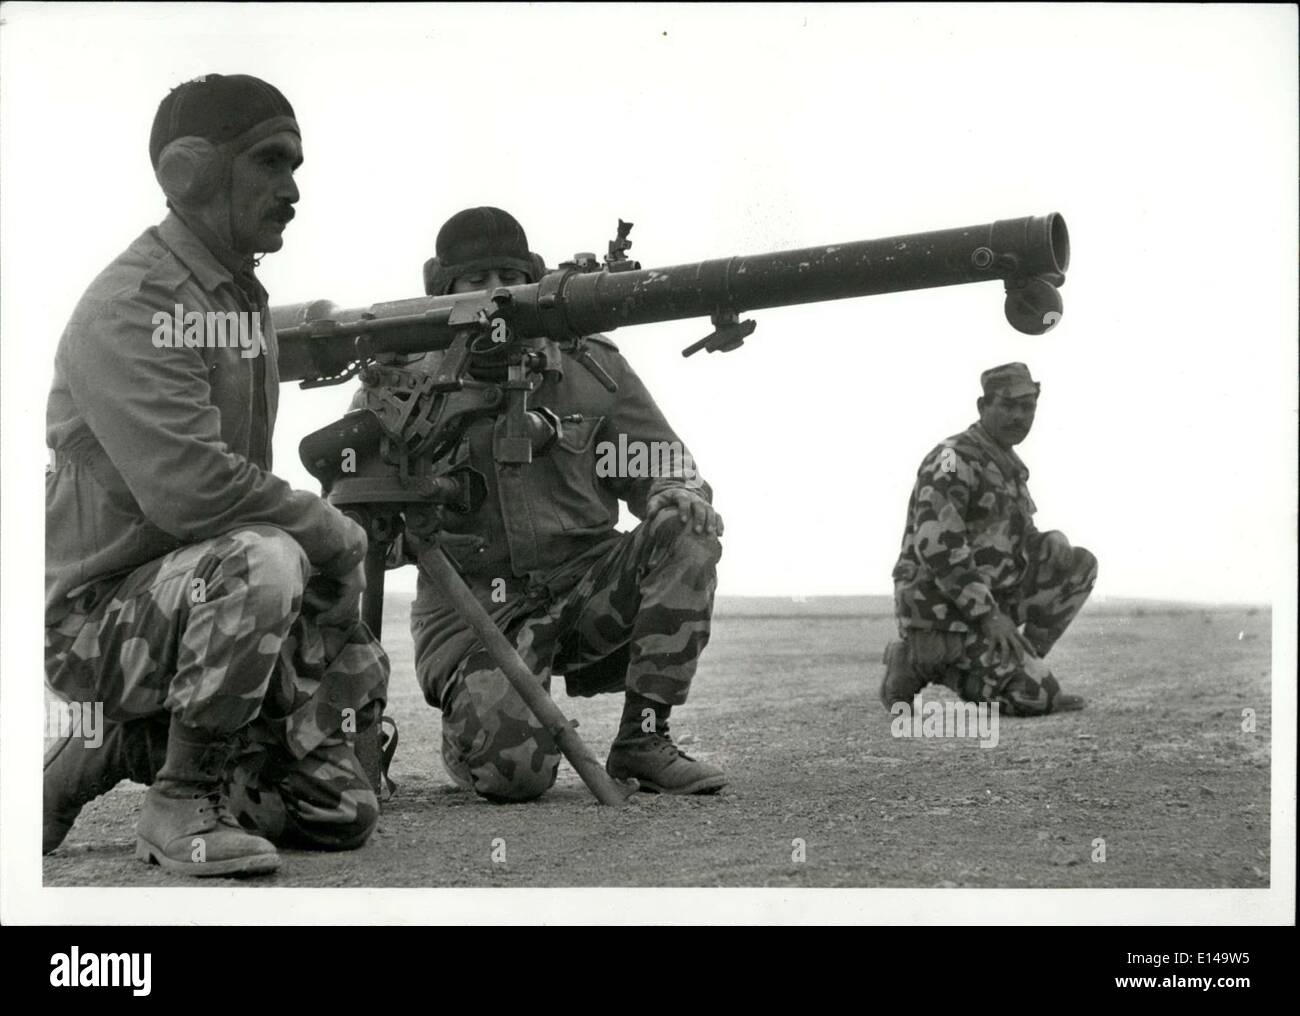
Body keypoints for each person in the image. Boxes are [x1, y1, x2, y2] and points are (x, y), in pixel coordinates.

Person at [43, 74, 390, 877]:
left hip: (190, 599)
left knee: (339, 813)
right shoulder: (136, 303)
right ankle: (178, 796)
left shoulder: (232, 295)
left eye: (296, 166)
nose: (292, 190)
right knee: (267, 557)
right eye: (271, 163)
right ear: (190, 171)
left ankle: (117, 745)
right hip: (97, 622)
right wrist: (329, 531)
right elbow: (193, 490)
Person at [356, 206, 728, 801]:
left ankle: (644, 739)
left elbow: (660, 463)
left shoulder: (590, 364)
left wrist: (675, 491)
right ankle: (475, 727)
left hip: (584, 589)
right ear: (442, 289)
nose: (494, 293)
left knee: (685, 527)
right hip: (474, 605)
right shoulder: (404, 384)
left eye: (508, 275)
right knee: (515, 778)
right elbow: (358, 514)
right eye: (474, 280)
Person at [882, 362, 1097, 716]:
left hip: (988, 603)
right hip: (941, 610)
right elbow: (939, 545)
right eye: (1007, 405)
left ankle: (1018, 659)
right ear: (983, 407)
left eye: (1026, 407)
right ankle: (917, 662)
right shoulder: (952, 458)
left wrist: (1049, 538)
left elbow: (1013, 541)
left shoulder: (1006, 465)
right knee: (1035, 698)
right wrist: (987, 615)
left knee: (1078, 564)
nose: (1018, 416)